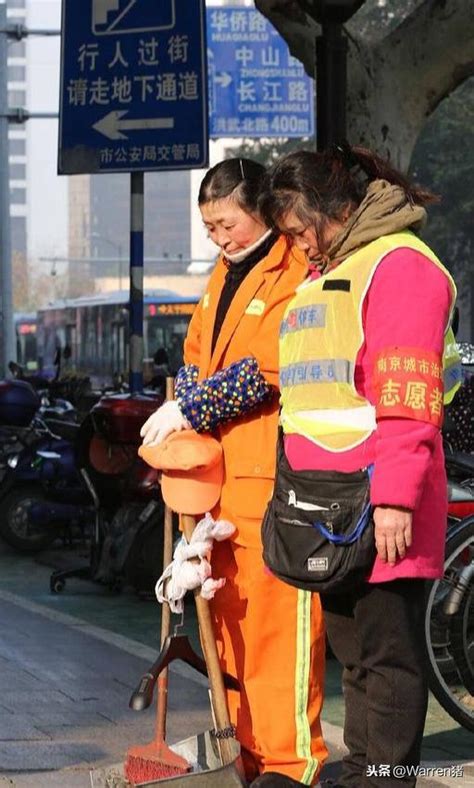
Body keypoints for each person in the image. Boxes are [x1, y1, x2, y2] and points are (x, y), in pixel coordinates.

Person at [258, 146, 460, 788]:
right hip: (331, 504)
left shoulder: (400, 268)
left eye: (296, 231)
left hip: (381, 501)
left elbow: (407, 403)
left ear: (330, 208)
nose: (297, 249)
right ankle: (363, 769)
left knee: (388, 653)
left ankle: (385, 775)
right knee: (354, 654)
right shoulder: (337, 269)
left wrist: (396, 501)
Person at [140, 158, 327, 786]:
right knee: (231, 635)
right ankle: (244, 755)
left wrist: (189, 404)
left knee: (281, 634)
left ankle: (292, 764)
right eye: (211, 228)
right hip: (223, 489)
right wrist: (186, 398)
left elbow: (266, 371)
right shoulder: (223, 276)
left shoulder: (294, 271)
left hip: (278, 484)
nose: (220, 239)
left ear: (263, 211)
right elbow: (197, 353)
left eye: (228, 224)